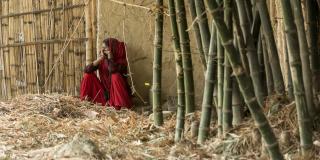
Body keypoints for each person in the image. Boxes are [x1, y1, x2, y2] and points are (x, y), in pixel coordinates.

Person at [80, 38, 132, 110]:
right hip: (104, 94)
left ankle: (119, 105)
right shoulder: (103, 60)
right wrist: (100, 59)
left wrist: (110, 58)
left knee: (115, 76)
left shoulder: (121, 61)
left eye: (105, 48)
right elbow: (87, 70)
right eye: (102, 48)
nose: (103, 50)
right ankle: (85, 100)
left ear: (112, 49)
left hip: (117, 95)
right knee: (87, 75)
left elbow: (112, 70)